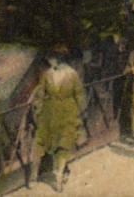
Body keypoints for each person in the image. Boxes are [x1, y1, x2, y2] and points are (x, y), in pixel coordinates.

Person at [33, 51, 83, 192]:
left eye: (51, 59)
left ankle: (58, 176)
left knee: (64, 143)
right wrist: (38, 107)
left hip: (68, 113)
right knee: (53, 144)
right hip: (50, 113)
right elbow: (41, 92)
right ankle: (63, 168)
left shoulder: (72, 74)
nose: (49, 62)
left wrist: (79, 114)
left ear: (58, 59)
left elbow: (79, 93)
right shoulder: (47, 74)